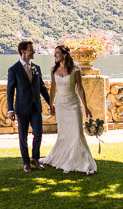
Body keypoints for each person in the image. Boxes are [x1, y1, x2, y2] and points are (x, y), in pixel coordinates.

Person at [40, 44, 97, 174]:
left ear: (64, 55)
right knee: (64, 134)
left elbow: (80, 89)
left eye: (57, 53)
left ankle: (81, 163)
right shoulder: (53, 70)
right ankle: (64, 160)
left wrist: (86, 107)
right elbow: (53, 88)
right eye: (54, 53)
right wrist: (50, 104)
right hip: (61, 105)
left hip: (74, 105)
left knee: (77, 133)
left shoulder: (76, 70)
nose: (55, 56)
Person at [7, 40, 52, 172]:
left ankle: (35, 159)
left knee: (38, 133)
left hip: (36, 107)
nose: (33, 51)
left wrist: (51, 103)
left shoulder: (36, 68)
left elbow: (42, 88)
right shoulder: (13, 69)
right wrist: (10, 110)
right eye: (31, 49)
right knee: (23, 136)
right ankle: (26, 162)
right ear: (23, 51)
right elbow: (10, 91)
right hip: (21, 108)